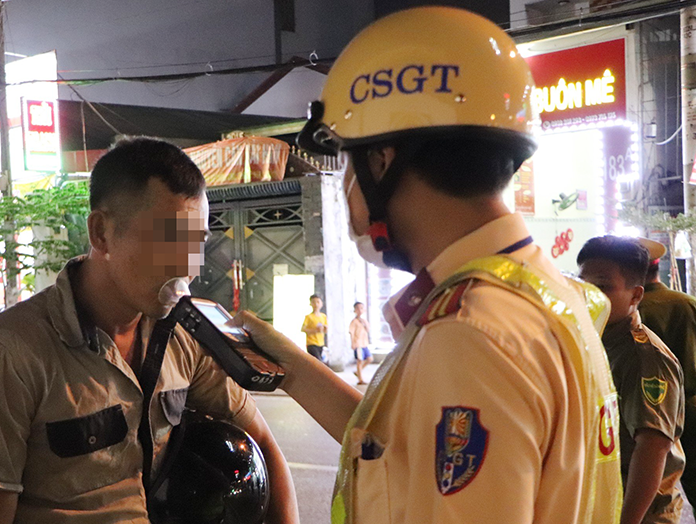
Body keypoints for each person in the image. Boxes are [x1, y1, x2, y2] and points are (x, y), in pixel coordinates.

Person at [229, 7, 622, 523]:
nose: (347, 188)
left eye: (348, 161)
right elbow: (401, 450)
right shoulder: (550, 294)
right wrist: (291, 366)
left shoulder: (471, 334)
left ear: (383, 160)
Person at [0, 137, 298, 524]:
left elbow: (262, 443)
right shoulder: (2, 356)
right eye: (169, 239)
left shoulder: (184, 336)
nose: (188, 267)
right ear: (101, 233)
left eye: (195, 243)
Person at [578, 236, 685, 524]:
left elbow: (652, 448)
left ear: (636, 296)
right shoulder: (598, 341)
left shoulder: (644, 357)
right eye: (582, 284)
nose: (589, 295)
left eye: (602, 287)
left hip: (641, 513)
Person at [636, 237, 696, 502]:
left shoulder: (630, 310)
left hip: (647, 413)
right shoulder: (686, 302)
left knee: (653, 493)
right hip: (692, 408)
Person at [348, 302, 371, 385]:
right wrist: (352, 342)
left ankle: (358, 371)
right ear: (355, 310)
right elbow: (351, 332)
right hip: (358, 343)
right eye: (358, 308)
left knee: (369, 359)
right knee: (360, 360)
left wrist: (364, 324)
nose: (360, 310)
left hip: (364, 343)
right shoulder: (354, 322)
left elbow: (368, 330)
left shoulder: (364, 321)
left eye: (361, 308)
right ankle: (360, 379)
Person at [301, 294, 327, 361]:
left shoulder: (323, 316)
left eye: (318, 302)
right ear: (311, 304)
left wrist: (324, 328)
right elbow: (303, 329)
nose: (316, 304)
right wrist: (315, 330)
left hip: (320, 343)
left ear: (321, 303)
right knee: (318, 361)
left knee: (316, 362)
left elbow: (325, 330)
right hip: (311, 343)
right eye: (313, 302)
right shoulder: (309, 317)